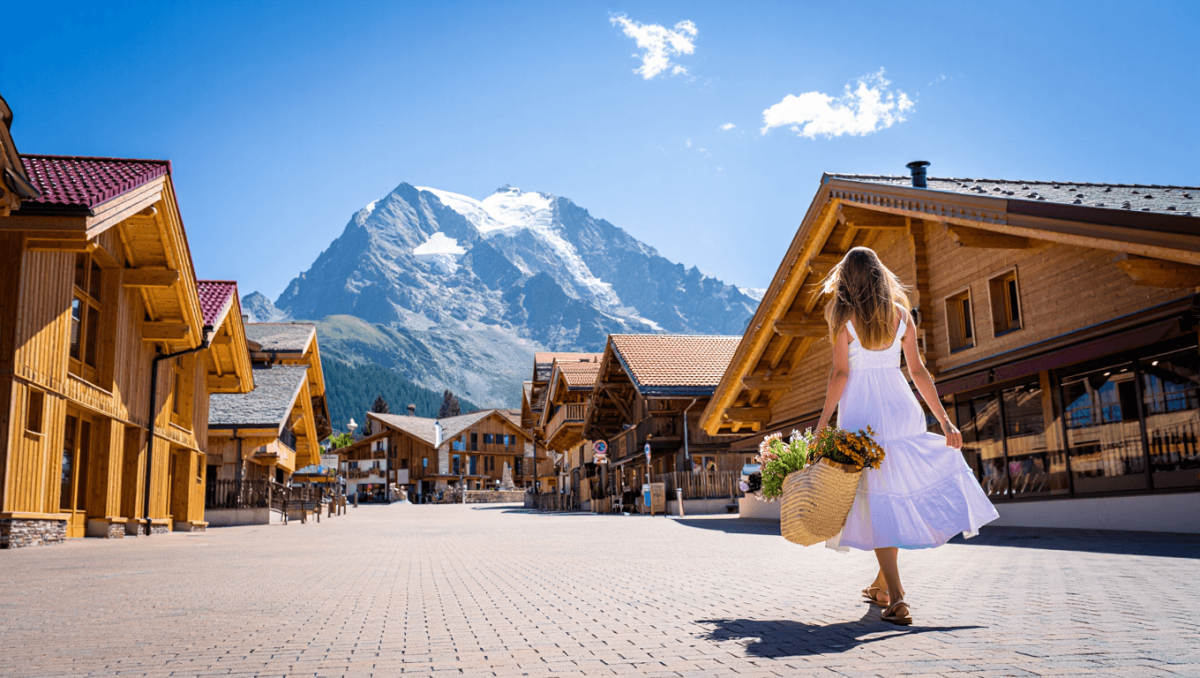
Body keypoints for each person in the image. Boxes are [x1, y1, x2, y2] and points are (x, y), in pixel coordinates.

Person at [814, 247, 998, 625]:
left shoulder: (842, 317)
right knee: (890, 495)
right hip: (900, 410)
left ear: (848, 278)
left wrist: (820, 427)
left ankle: (897, 599)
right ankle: (882, 584)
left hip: (863, 414)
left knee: (879, 500)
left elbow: (840, 376)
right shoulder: (901, 315)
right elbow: (917, 371)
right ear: (880, 275)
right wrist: (943, 421)